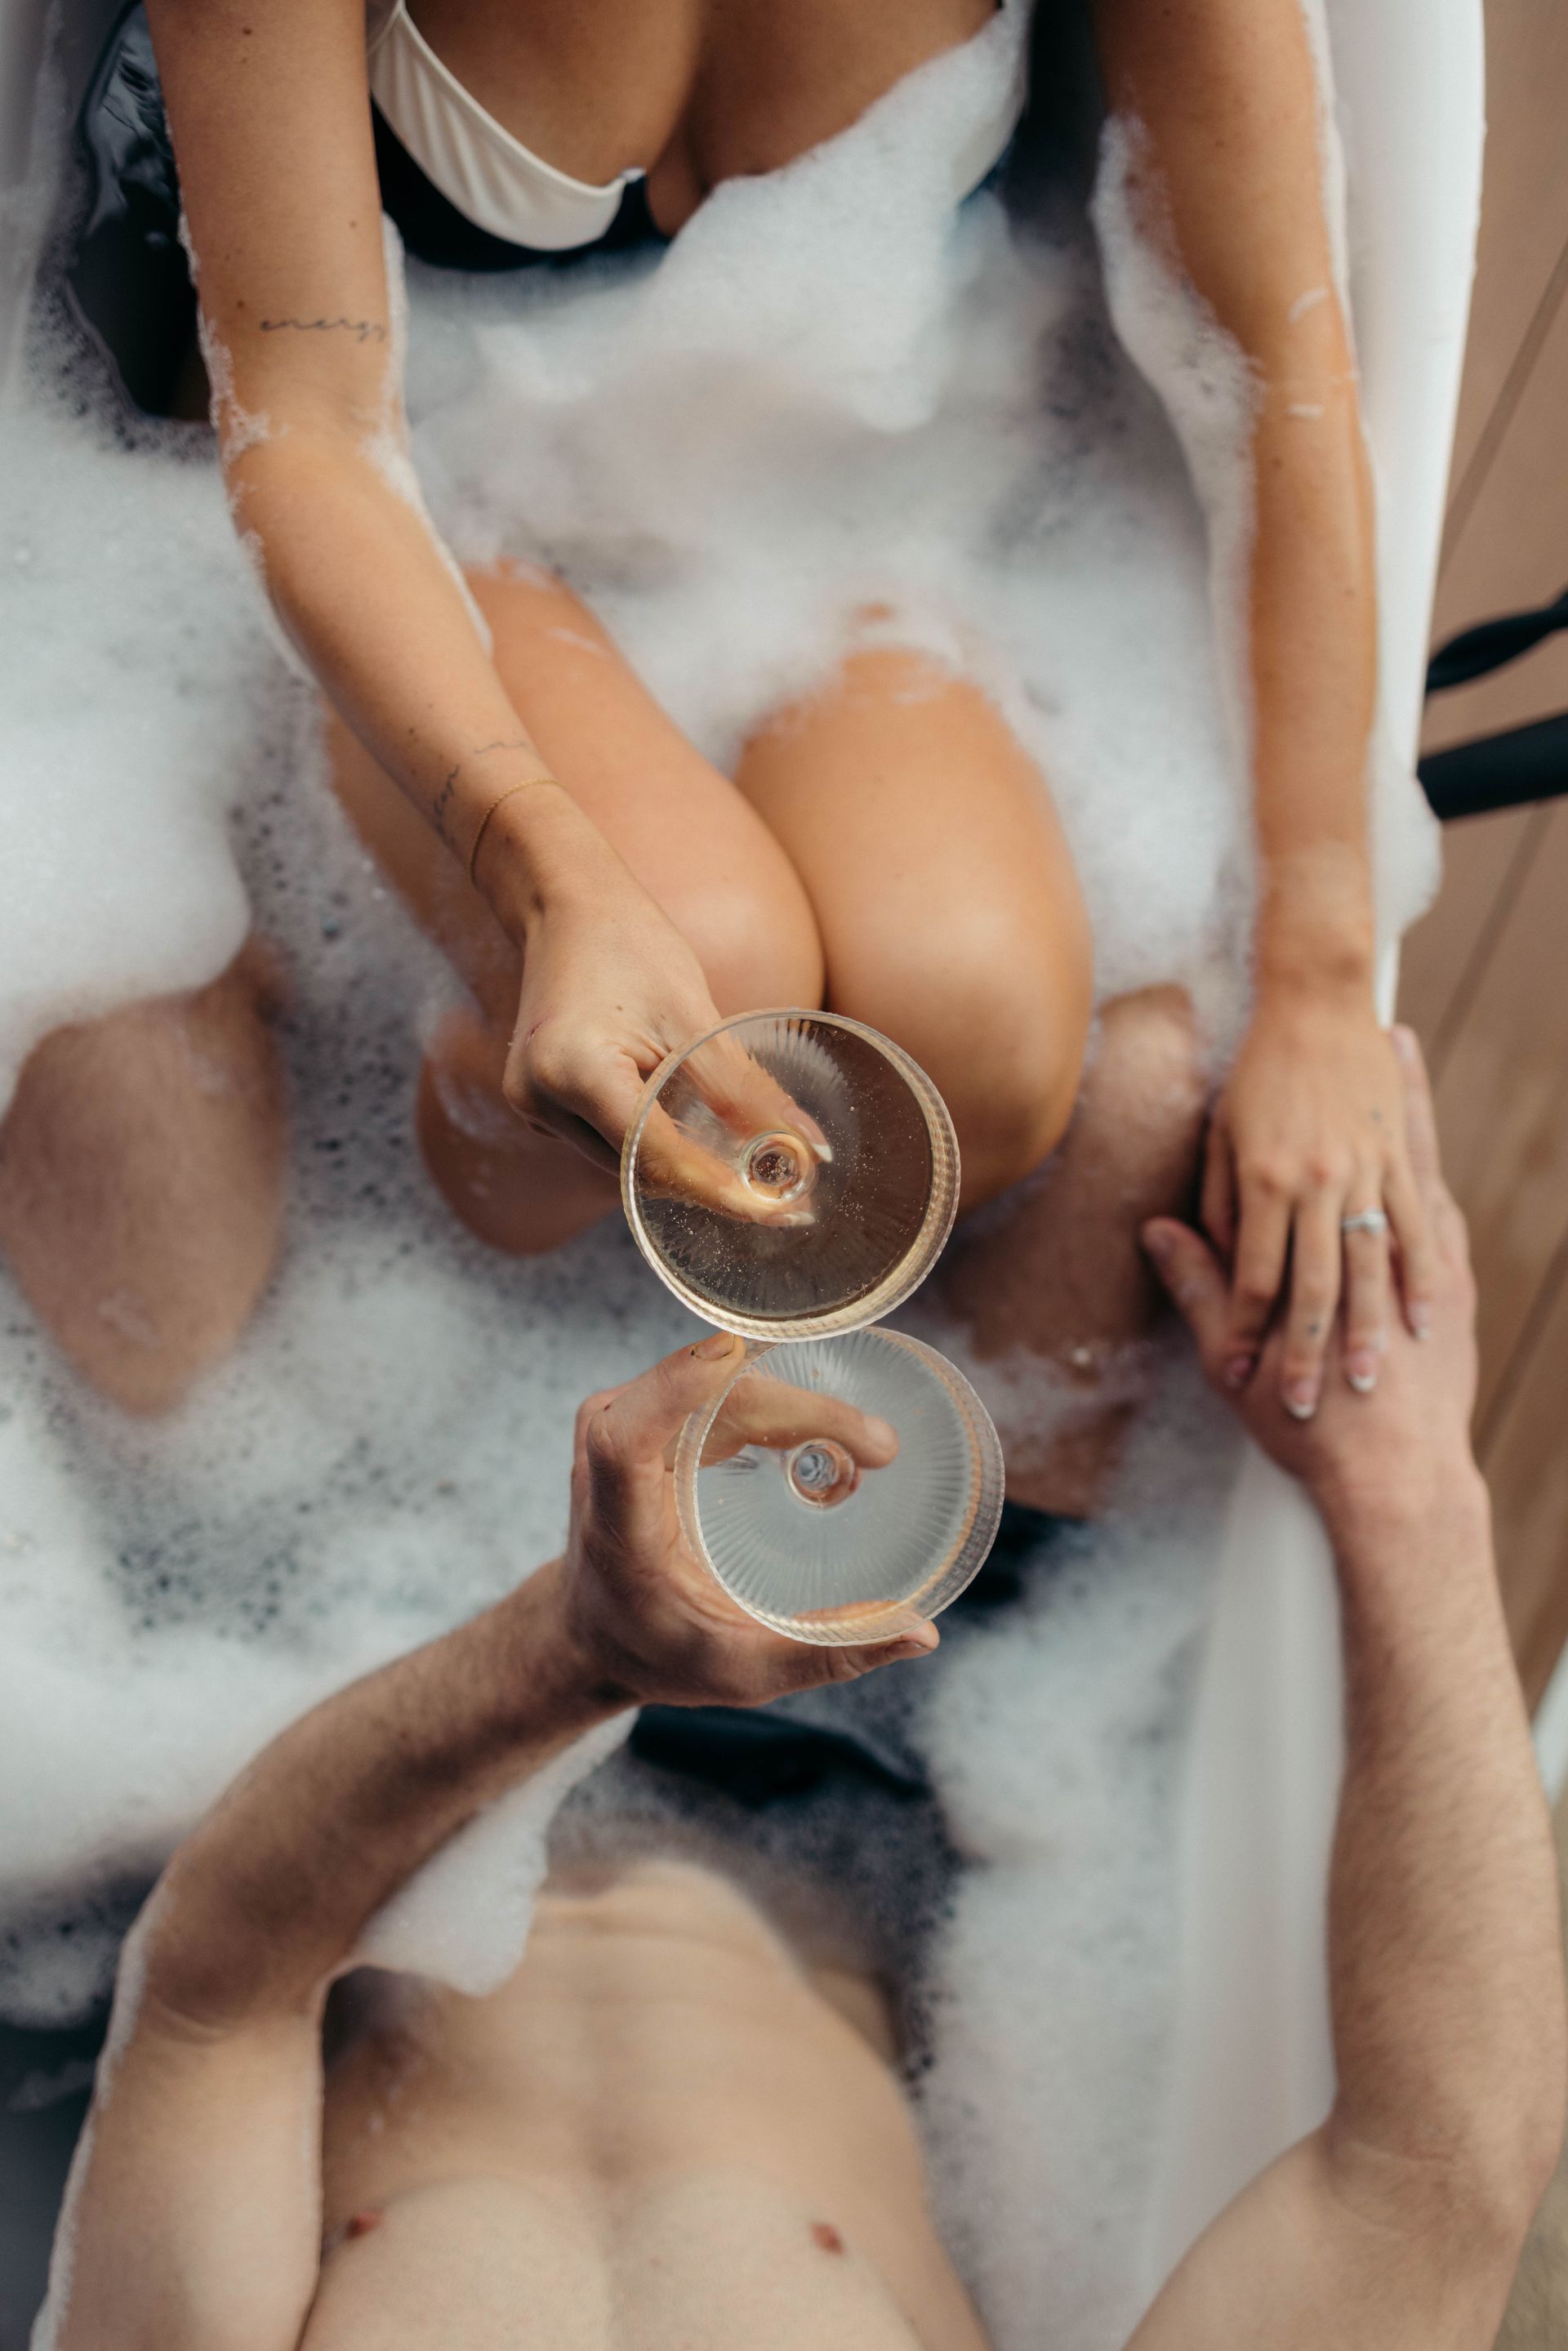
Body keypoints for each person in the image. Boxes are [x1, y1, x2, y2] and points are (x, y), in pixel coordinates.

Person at [1, 0, 1429, 1433]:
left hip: (821, 487)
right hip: (397, 491)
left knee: (971, 1051)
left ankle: (768, 1536)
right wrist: (551, 878)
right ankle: (422, 1145)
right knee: (702, 976)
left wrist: (1316, 977)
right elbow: (307, 425)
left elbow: (1280, 387)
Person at [37, 1031, 1565, 2351]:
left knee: (110, 1051)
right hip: (866, 1743)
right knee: (1153, 1083)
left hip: (337, 1755)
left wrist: (571, 1652)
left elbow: (216, 1993)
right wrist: (1403, 1486)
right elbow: (1437, 2174)